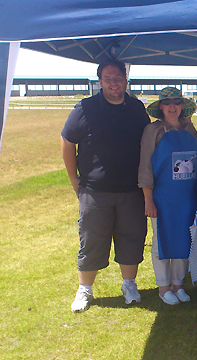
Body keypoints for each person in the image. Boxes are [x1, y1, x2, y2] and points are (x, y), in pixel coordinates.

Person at [61, 59, 151, 313]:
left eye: (118, 77)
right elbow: (67, 142)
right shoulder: (85, 108)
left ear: (125, 79)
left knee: (132, 239)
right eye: (108, 78)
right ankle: (85, 290)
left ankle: (129, 284)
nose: (114, 83)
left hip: (131, 190)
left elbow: (147, 143)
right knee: (92, 240)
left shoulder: (136, 108)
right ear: (99, 81)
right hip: (94, 191)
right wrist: (74, 180)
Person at [139, 87, 197, 305]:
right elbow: (145, 166)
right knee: (162, 242)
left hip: (188, 197)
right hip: (163, 197)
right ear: (160, 107)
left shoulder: (189, 129)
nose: (172, 107)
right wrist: (148, 198)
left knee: (184, 240)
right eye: (167, 103)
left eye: (176, 103)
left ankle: (178, 285)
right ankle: (163, 287)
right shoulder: (153, 130)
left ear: (182, 106)